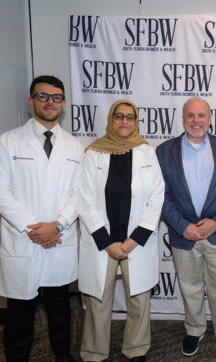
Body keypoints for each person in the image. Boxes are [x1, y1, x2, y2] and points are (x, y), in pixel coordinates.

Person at [0, 75, 84, 362]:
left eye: (56, 97)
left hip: (58, 238)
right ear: (31, 101)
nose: (49, 102)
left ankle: (63, 356)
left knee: (60, 311)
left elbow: (79, 195)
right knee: (19, 313)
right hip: (24, 239)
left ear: (63, 103)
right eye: (42, 96)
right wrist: (35, 228)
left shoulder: (76, 147)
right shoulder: (8, 142)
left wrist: (56, 226)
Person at [78, 99, 164, 362]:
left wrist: (134, 239)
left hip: (134, 242)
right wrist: (106, 241)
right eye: (119, 116)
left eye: (130, 117)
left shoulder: (147, 152)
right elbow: (84, 198)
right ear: (111, 120)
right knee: (97, 301)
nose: (124, 121)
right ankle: (94, 352)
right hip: (102, 242)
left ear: (136, 121)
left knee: (138, 299)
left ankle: (137, 348)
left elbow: (157, 196)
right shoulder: (93, 152)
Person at [156, 97, 216, 356]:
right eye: (191, 116)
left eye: (201, 115)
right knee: (189, 285)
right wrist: (183, 226)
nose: (196, 121)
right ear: (183, 119)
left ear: (210, 118)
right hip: (184, 235)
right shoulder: (164, 151)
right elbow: (161, 195)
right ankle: (194, 329)